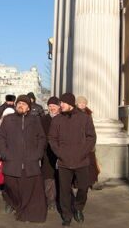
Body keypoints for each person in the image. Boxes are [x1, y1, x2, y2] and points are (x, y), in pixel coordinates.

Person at [48, 93, 97, 226]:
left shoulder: (84, 118)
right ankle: (66, 215)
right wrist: (60, 153)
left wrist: (83, 152)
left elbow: (91, 137)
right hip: (64, 162)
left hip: (81, 161)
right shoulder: (57, 120)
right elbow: (52, 139)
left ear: (69, 103)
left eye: (62, 103)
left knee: (83, 188)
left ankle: (78, 208)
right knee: (64, 191)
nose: (60, 105)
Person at [0, 95, 47, 223]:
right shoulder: (8, 119)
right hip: (12, 161)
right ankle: (16, 205)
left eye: (24, 104)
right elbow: (0, 137)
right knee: (12, 187)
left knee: (28, 188)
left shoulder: (35, 120)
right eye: (19, 103)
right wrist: (4, 153)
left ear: (28, 108)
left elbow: (41, 138)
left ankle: (25, 212)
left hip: (30, 162)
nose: (21, 106)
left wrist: (38, 153)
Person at [76, 96, 101, 190]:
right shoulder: (74, 113)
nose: (82, 104)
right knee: (79, 165)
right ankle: (78, 183)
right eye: (80, 103)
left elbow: (91, 129)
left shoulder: (88, 113)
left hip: (89, 142)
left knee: (92, 163)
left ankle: (93, 181)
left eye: (84, 103)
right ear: (77, 104)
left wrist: (92, 142)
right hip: (78, 143)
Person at [40, 96, 60, 211]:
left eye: (54, 106)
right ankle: (50, 200)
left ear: (58, 107)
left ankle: (60, 199)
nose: (52, 108)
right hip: (47, 153)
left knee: (60, 178)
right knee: (48, 177)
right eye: (50, 106)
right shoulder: (43, 119)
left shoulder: (63, 118)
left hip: (61, 153)